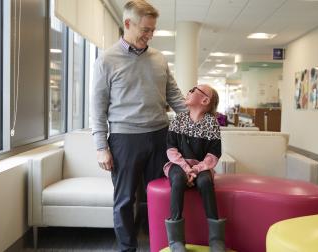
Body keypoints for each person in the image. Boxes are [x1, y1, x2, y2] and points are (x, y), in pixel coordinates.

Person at [90, 1, 186, 251]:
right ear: (127, 24)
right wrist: (101, 146)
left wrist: (196, 120)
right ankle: (127, 248)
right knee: (124, 200)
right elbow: (97, 109)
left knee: (159, 196)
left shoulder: (159, 58)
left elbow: (174, 96)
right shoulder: (107, 60)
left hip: (160, 137)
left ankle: (160, 245)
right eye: (145, 29)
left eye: (153, 30)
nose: (150, 35)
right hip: (125, 139)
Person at [163, 84, 226, 252]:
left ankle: (216, 239)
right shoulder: (179, 119)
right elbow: (170, 148)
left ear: (205, 100)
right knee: (177, 179)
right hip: (178, 164)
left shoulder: (211, 124)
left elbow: (213, 154)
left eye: (193, 90)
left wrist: (197, 169)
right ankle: (176, 241)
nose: (188, 92)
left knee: (205, 182)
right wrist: (185, 168)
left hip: (201, 166)